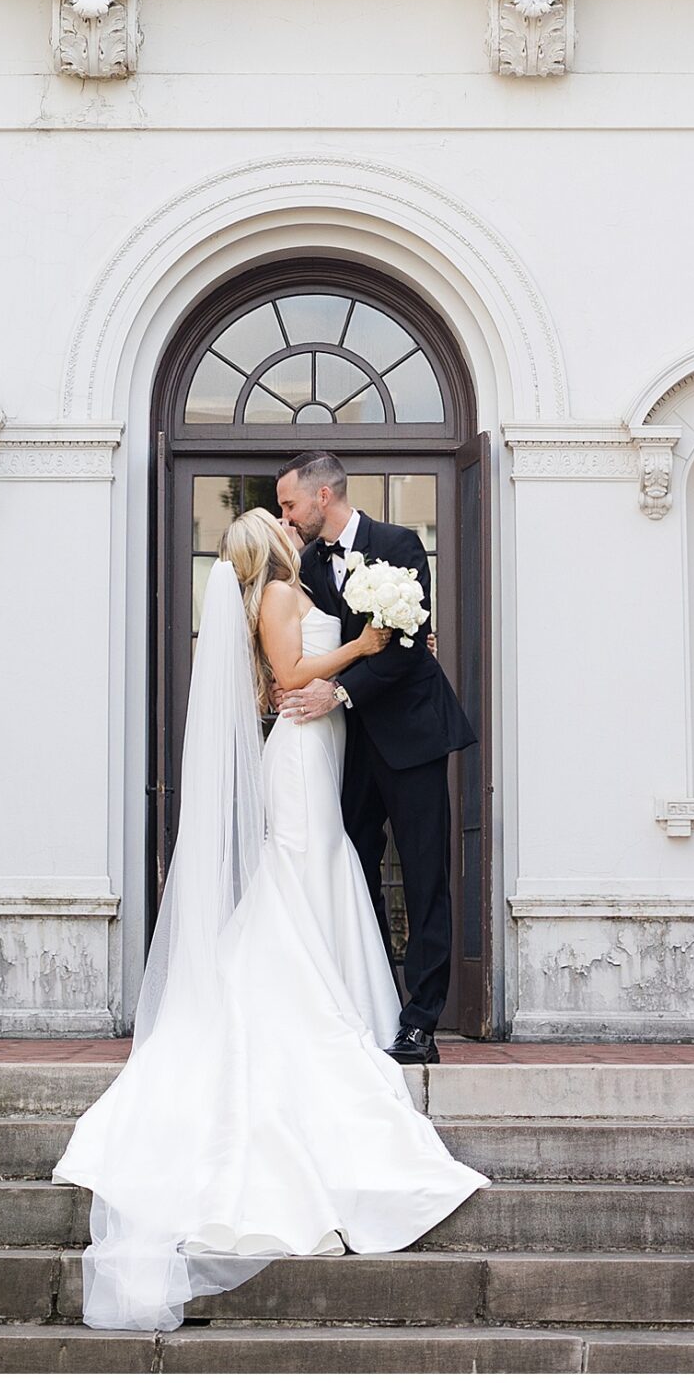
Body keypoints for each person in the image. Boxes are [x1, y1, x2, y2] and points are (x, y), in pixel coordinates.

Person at [53, 506, 484, 1332]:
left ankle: (336, 990)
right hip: (300, 748)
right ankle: (308, 996)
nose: (292, 526)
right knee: (305, 864)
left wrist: (383, 643)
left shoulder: (289, 585)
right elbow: (290, 678)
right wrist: (363, 646)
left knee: (321, 866)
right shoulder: (283, 593)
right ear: (271, 548)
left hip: (318, 746)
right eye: (278, 521)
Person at [277, 450, 476, 1066]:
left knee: (423, 878)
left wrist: (339, 690)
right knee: (350, 872)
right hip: (347, 742)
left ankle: (421, 1022)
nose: (285, 515)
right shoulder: (307, 564)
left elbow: (409, 650)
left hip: (411, 736)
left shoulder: (400, 543)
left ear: (322, 497)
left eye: (289, 504)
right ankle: (367, 1000)